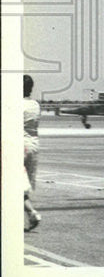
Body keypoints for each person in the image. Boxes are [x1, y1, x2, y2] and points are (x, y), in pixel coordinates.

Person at [24, 75, 41, 231]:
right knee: (23, 185)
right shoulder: (35, 105)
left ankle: (31, 212)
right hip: (33, 145)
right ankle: (31, 213)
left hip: (19, 146)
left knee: (12, 184)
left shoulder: (16, 104)